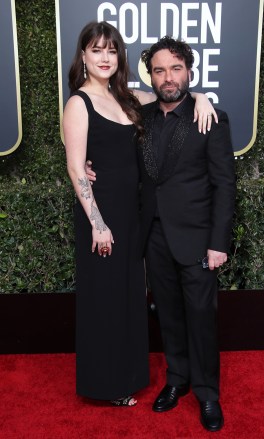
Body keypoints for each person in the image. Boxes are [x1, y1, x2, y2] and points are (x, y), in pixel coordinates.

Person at [64, 21, 217, 407]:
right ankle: (105, 384)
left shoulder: (129, 98)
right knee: (104, 300)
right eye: (96, 50)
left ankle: (127, 377)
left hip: (132, 217)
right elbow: (75, 167)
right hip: (101, 217)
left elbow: (170, 94)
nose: (104, 57)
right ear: (83, 55)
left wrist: (201, 97)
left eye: (111, 50)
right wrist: (98, 224)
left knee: (128, 298)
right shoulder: (77, 103)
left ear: (120, 57)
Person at [137, 37, 236, 431]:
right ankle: (177, 380)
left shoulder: (210, 117)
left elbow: (224, 185)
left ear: (189, 73)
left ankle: (208, 394)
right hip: (154, 237)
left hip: (197, 238)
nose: (168, 77)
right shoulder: (141, 117)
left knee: (200, 318)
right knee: (170, 317)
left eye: (176, 69)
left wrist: (218, 243)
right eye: (160, 70)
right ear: (151, 75)